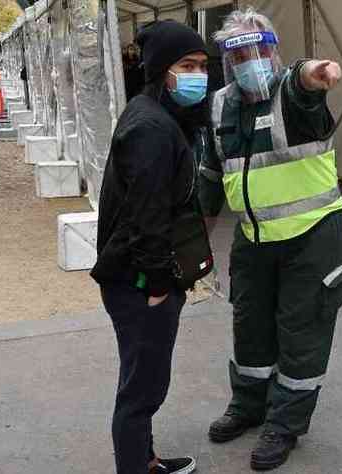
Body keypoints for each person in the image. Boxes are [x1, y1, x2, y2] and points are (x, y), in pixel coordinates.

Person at [198, 9, 342, 471]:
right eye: (240, 53)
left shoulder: (291, 90)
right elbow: (210, 175)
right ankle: (248, 406)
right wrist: (197, 251)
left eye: (259, 50)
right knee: (250, 326)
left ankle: (284, 426)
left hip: (313, 235)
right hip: (253, 238)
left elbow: (307, 84)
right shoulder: (221, 104)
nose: (251, 60)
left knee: (301, 333)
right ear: (228, 60)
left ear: (273, 51)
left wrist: (313, 72)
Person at [91, 20, 212, 474]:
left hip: (137, 278)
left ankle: (146, 460)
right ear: (162, 70)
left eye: (202, 65)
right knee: (141, 392)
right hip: (139, 283)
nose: (198, 74)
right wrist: (158, 283)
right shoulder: (152, 128)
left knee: (141, 379)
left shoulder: (153, 114)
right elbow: (146, 217)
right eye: (187, 65)